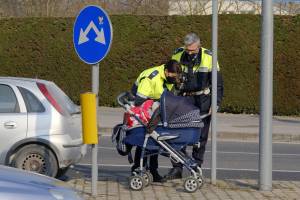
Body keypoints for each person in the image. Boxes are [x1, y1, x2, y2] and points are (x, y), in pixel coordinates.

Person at [164, 33, 224, 180]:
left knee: (200, 137)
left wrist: (215, 103)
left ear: (199, 45)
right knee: (177, 134)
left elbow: (218, 83)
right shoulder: (178, 54)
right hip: (183, 99)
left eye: (192, 50)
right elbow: (169, 76)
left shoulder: (209, 57)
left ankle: (195, 168)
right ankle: (177, 168)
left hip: (202, 99)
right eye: (187, 50)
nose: (189, 53)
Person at [130, 59, 182, 182]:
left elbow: (167, 94)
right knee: (144, 139)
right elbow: (139, 101)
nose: (174, 79)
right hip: (143, 107)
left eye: (176, 77)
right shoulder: (151, 78)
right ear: (166, 71)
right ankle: (137, 168)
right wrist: (155, 106)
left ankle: (153, 171)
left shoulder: (169, 76)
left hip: (156, 108)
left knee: (155, 140)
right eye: (172, 76)